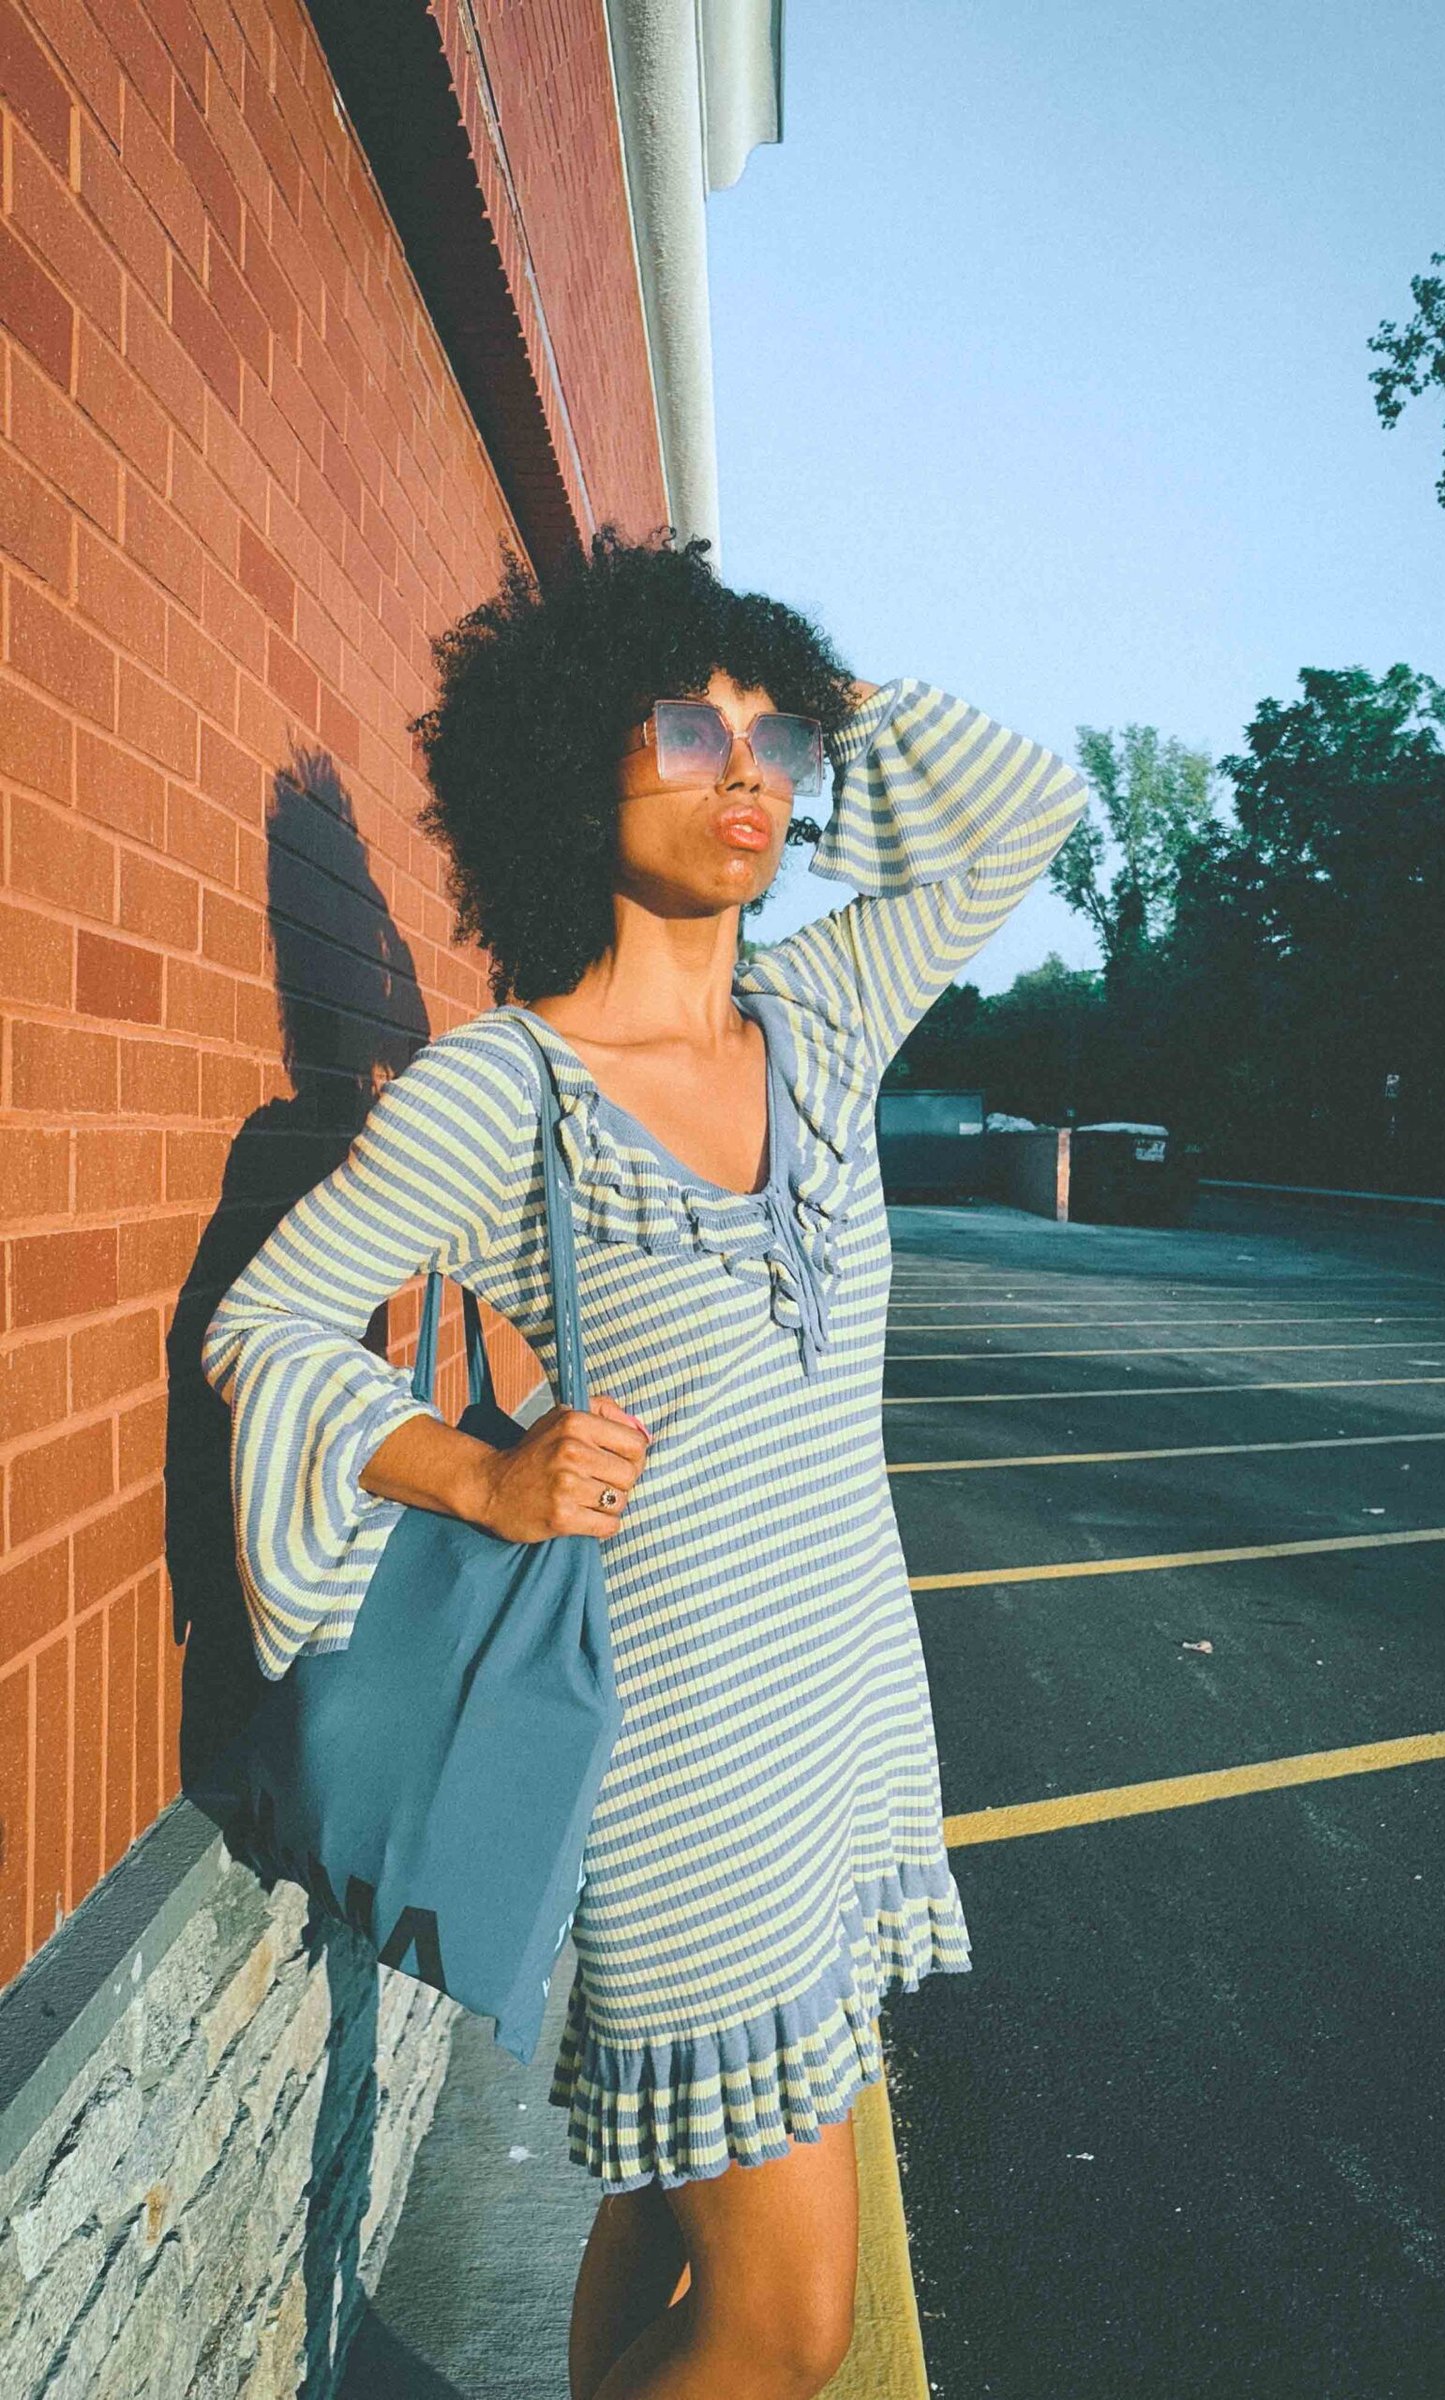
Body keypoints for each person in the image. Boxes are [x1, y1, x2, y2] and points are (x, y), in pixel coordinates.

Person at [201, 525, 1088, 2400]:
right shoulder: (500, 1090)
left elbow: (1024, 812)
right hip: (683, 1771)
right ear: (568, 761)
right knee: (785, 2324)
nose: (744, 774)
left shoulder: (825, 1019)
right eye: (687, 729)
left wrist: (804, 688)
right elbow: (262, 1328)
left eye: (778, 745)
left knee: (677, 2226)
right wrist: (477, 1477)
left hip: (843, 1715)